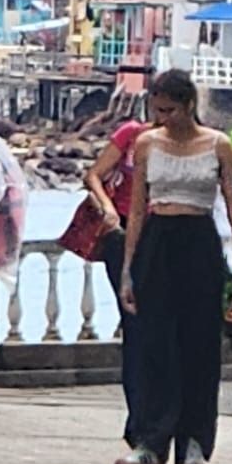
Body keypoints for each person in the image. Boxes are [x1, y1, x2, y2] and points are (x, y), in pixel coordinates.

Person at [114, 69, 232, 464]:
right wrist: (128, 268)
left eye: (170, 110)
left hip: (198, 240)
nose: (163, 119)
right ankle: (150, 441)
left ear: (189, 105)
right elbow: (137, 208)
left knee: (200, 344)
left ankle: (194, 440)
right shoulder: (146, 144)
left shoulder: (218, 145)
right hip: (158, 240)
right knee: (154, 345)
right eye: (157, 110)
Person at [84, 111, 150, 436]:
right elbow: (94, 175)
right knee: (134, 324)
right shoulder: (132, 134)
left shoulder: (189, 143)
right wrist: (107, 207)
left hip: (163, 231)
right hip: (122, 232)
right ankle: (137, 416)